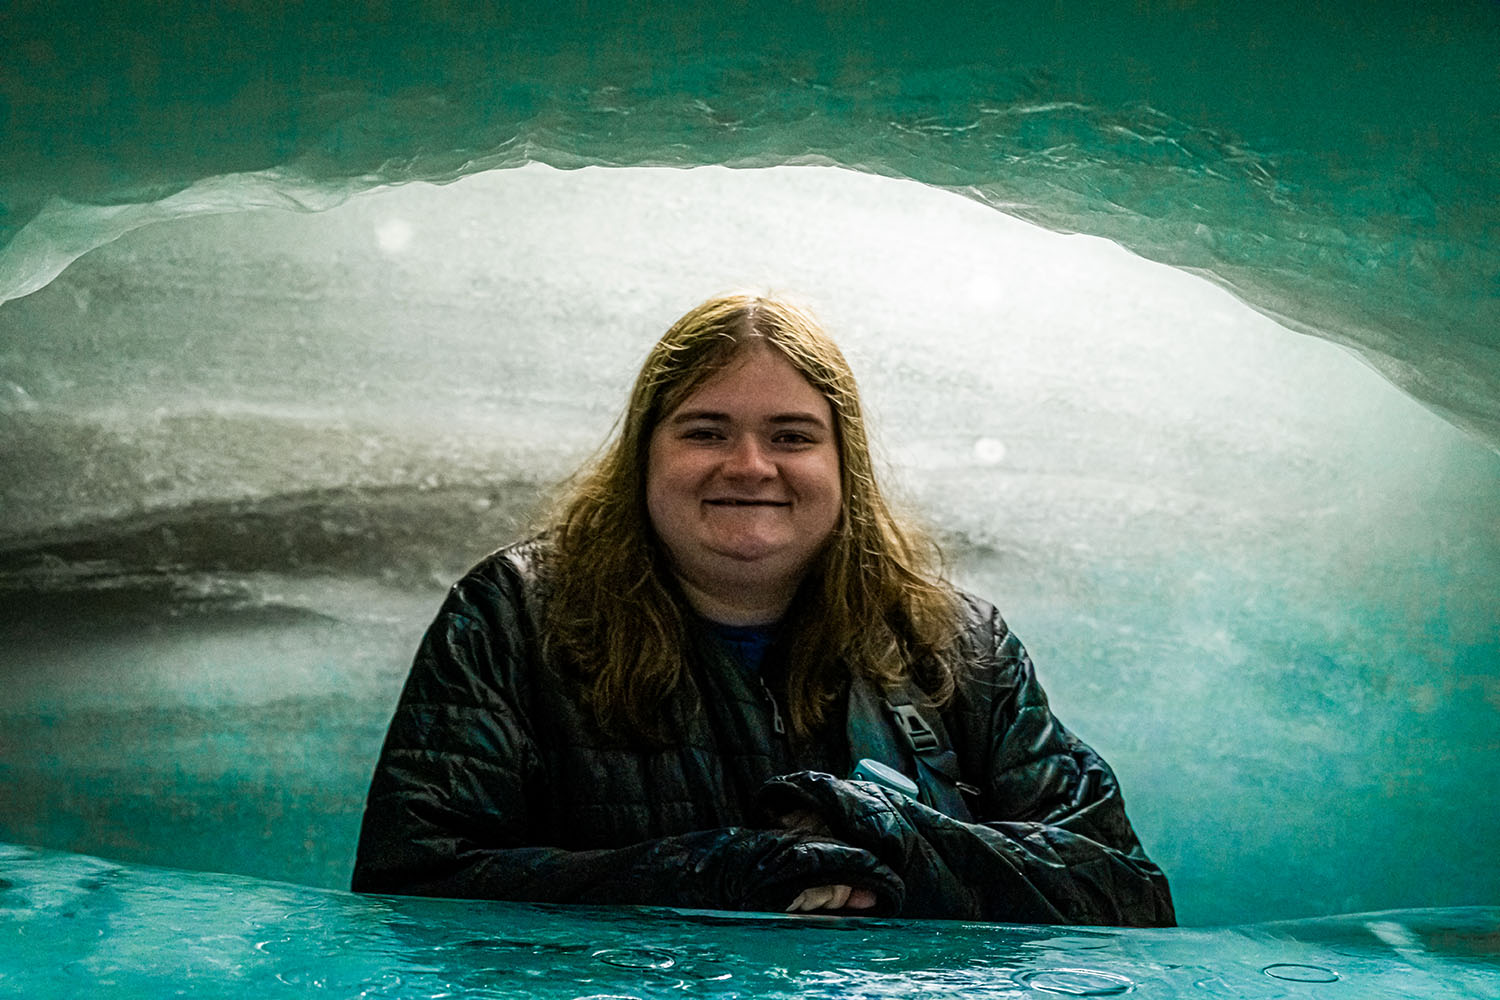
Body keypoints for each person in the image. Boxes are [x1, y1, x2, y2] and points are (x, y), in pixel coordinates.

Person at [351, 293, 1176, 925]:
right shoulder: (514, 620)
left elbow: (1125, 895)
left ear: (842, 463)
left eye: (791, 436)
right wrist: (724, 870)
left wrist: (884, 838)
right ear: (645, 454)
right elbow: (415, 887)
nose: (750, 466)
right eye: (706, 432)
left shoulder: (957, 647)